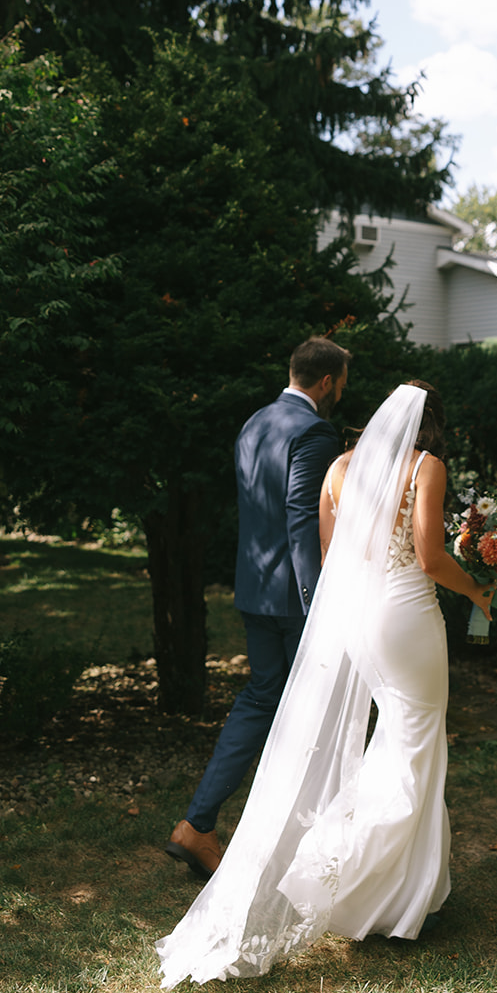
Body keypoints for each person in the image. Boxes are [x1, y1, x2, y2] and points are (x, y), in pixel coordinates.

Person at [156, 379, 496, 986]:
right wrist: (477, 587)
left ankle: (388, 893)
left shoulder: (340, 466)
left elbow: (331, 552)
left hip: (358, 620)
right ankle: (346, 872)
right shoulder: (427, 466)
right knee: (416, 744)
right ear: (431, 423)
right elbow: (426, 555)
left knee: (396, 741)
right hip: (407, 616)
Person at [164, 337, 349, 882]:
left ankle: (197, 824)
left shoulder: (254, 423)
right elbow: (299, 518)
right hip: (295, 599)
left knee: (262, 699)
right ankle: (313, 845)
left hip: (256, 590)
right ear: (326, 383)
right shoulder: (315, 431)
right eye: (341, 384)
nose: (341, 392)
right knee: (318, 710)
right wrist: (318, 603)